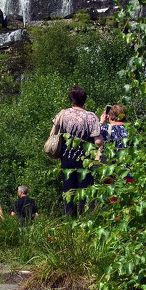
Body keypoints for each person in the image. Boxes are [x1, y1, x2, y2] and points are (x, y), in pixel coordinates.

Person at [52, 86, 104, 216]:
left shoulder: (62, 114)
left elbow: (53, 134)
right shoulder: (91, 116)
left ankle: (70, 220)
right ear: (84, 100)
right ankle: (86, 220)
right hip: (85, 158)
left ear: (71, 99)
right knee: (85, 191)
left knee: (69, 191)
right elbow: (98, 142)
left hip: (66, 157)